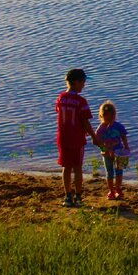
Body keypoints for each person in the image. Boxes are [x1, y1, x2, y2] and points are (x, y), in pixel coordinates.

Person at [55, 68, 100, 208]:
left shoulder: (61, 98)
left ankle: (68, 196)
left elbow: (58, 111)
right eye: (83, 82)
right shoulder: (81, 101)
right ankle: (79, 196)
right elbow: (85, 121)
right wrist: (94, 136)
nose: (84, 85)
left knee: (66, 167)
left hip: (62, 138)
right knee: (77, 167)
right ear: (76, 82)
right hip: (77, 138)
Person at [95, 101, 131, 201]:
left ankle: (118, 189)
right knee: (109, 172)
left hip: (118, 152)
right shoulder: (101, 129)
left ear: (114, 115)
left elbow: (123, 136)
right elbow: (98, 141)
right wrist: (104, 150)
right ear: (101, 116)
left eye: (111, 118)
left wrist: (126, 147)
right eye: (106, 118)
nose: (109, 121)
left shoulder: (118, 126)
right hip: (106, 154)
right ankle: (111, 191)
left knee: (119, 171)